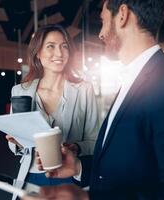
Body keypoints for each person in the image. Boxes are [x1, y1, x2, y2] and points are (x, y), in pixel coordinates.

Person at [23, 0, 164, 199]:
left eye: (104, 21)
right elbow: (127, 166)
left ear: (122, 15)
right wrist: (78, 167)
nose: (100, 33)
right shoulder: (135, 80)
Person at [6, 25, 99, 189]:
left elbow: (95, 140)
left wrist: (76, 147)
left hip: (70, 177)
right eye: (51, 46)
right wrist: (18, 142)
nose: (59, 53)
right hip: (31, 177)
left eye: (64, 46)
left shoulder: (84, 89)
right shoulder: (20, 91)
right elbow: (16, 144)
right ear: (38, 53)